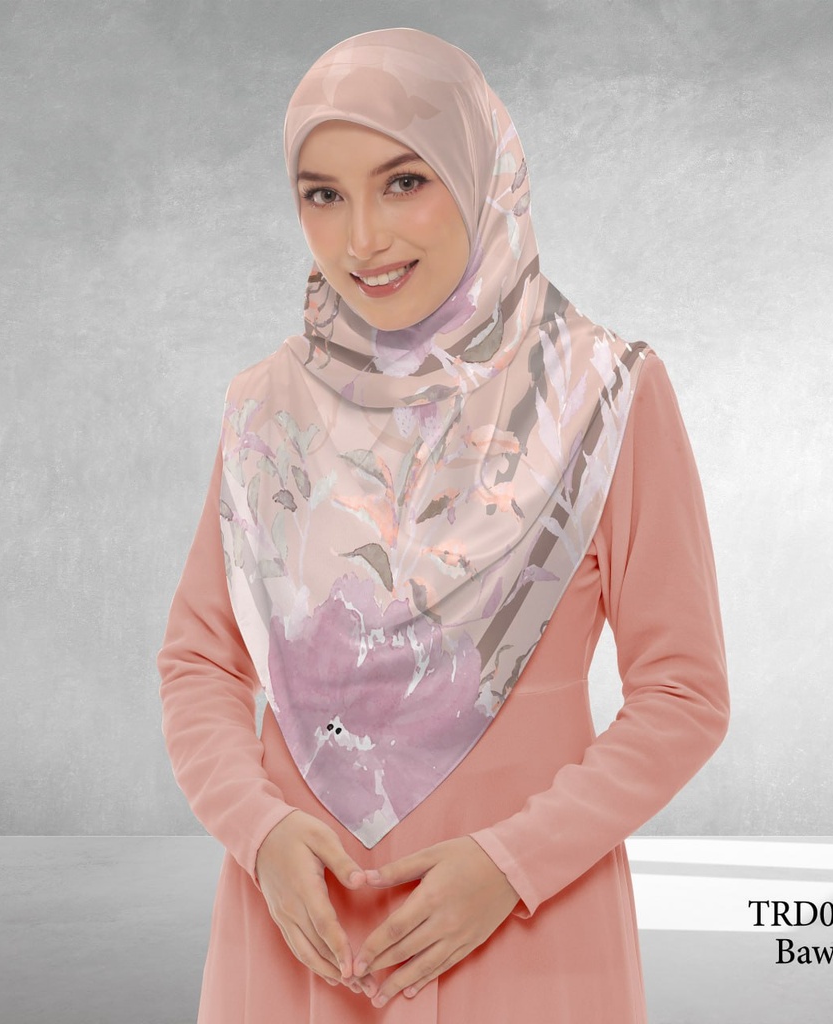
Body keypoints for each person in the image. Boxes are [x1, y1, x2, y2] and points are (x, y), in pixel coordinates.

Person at [158, 27, 730, 1023]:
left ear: (478, 173)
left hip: (527, 930)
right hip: (298, 929)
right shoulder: (266, 410)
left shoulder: (601, 397)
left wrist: (512, 864)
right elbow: (200, 662)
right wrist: (260, 834)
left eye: (404, 182)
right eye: (322, 195)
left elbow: (683, 692)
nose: (362, 240)